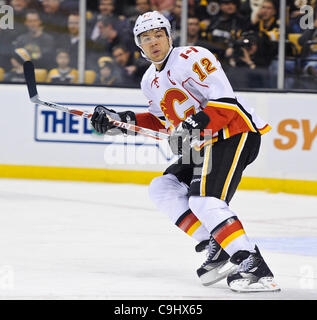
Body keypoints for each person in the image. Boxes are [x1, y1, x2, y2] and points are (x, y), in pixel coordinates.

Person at [90, 11, 280, 292]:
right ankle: (219, 243)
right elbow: (160, 121)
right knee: (162, 187)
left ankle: (254, 267)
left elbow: (225, 103)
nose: (153, 41)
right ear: (138, 45)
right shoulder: (148, 81)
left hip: (234, 132)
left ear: (169, 36)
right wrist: (120, 121)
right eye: (145, 37)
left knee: (204, 200)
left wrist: (192, 124)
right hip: (204, 143)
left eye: (158, 35)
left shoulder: (192, 56)